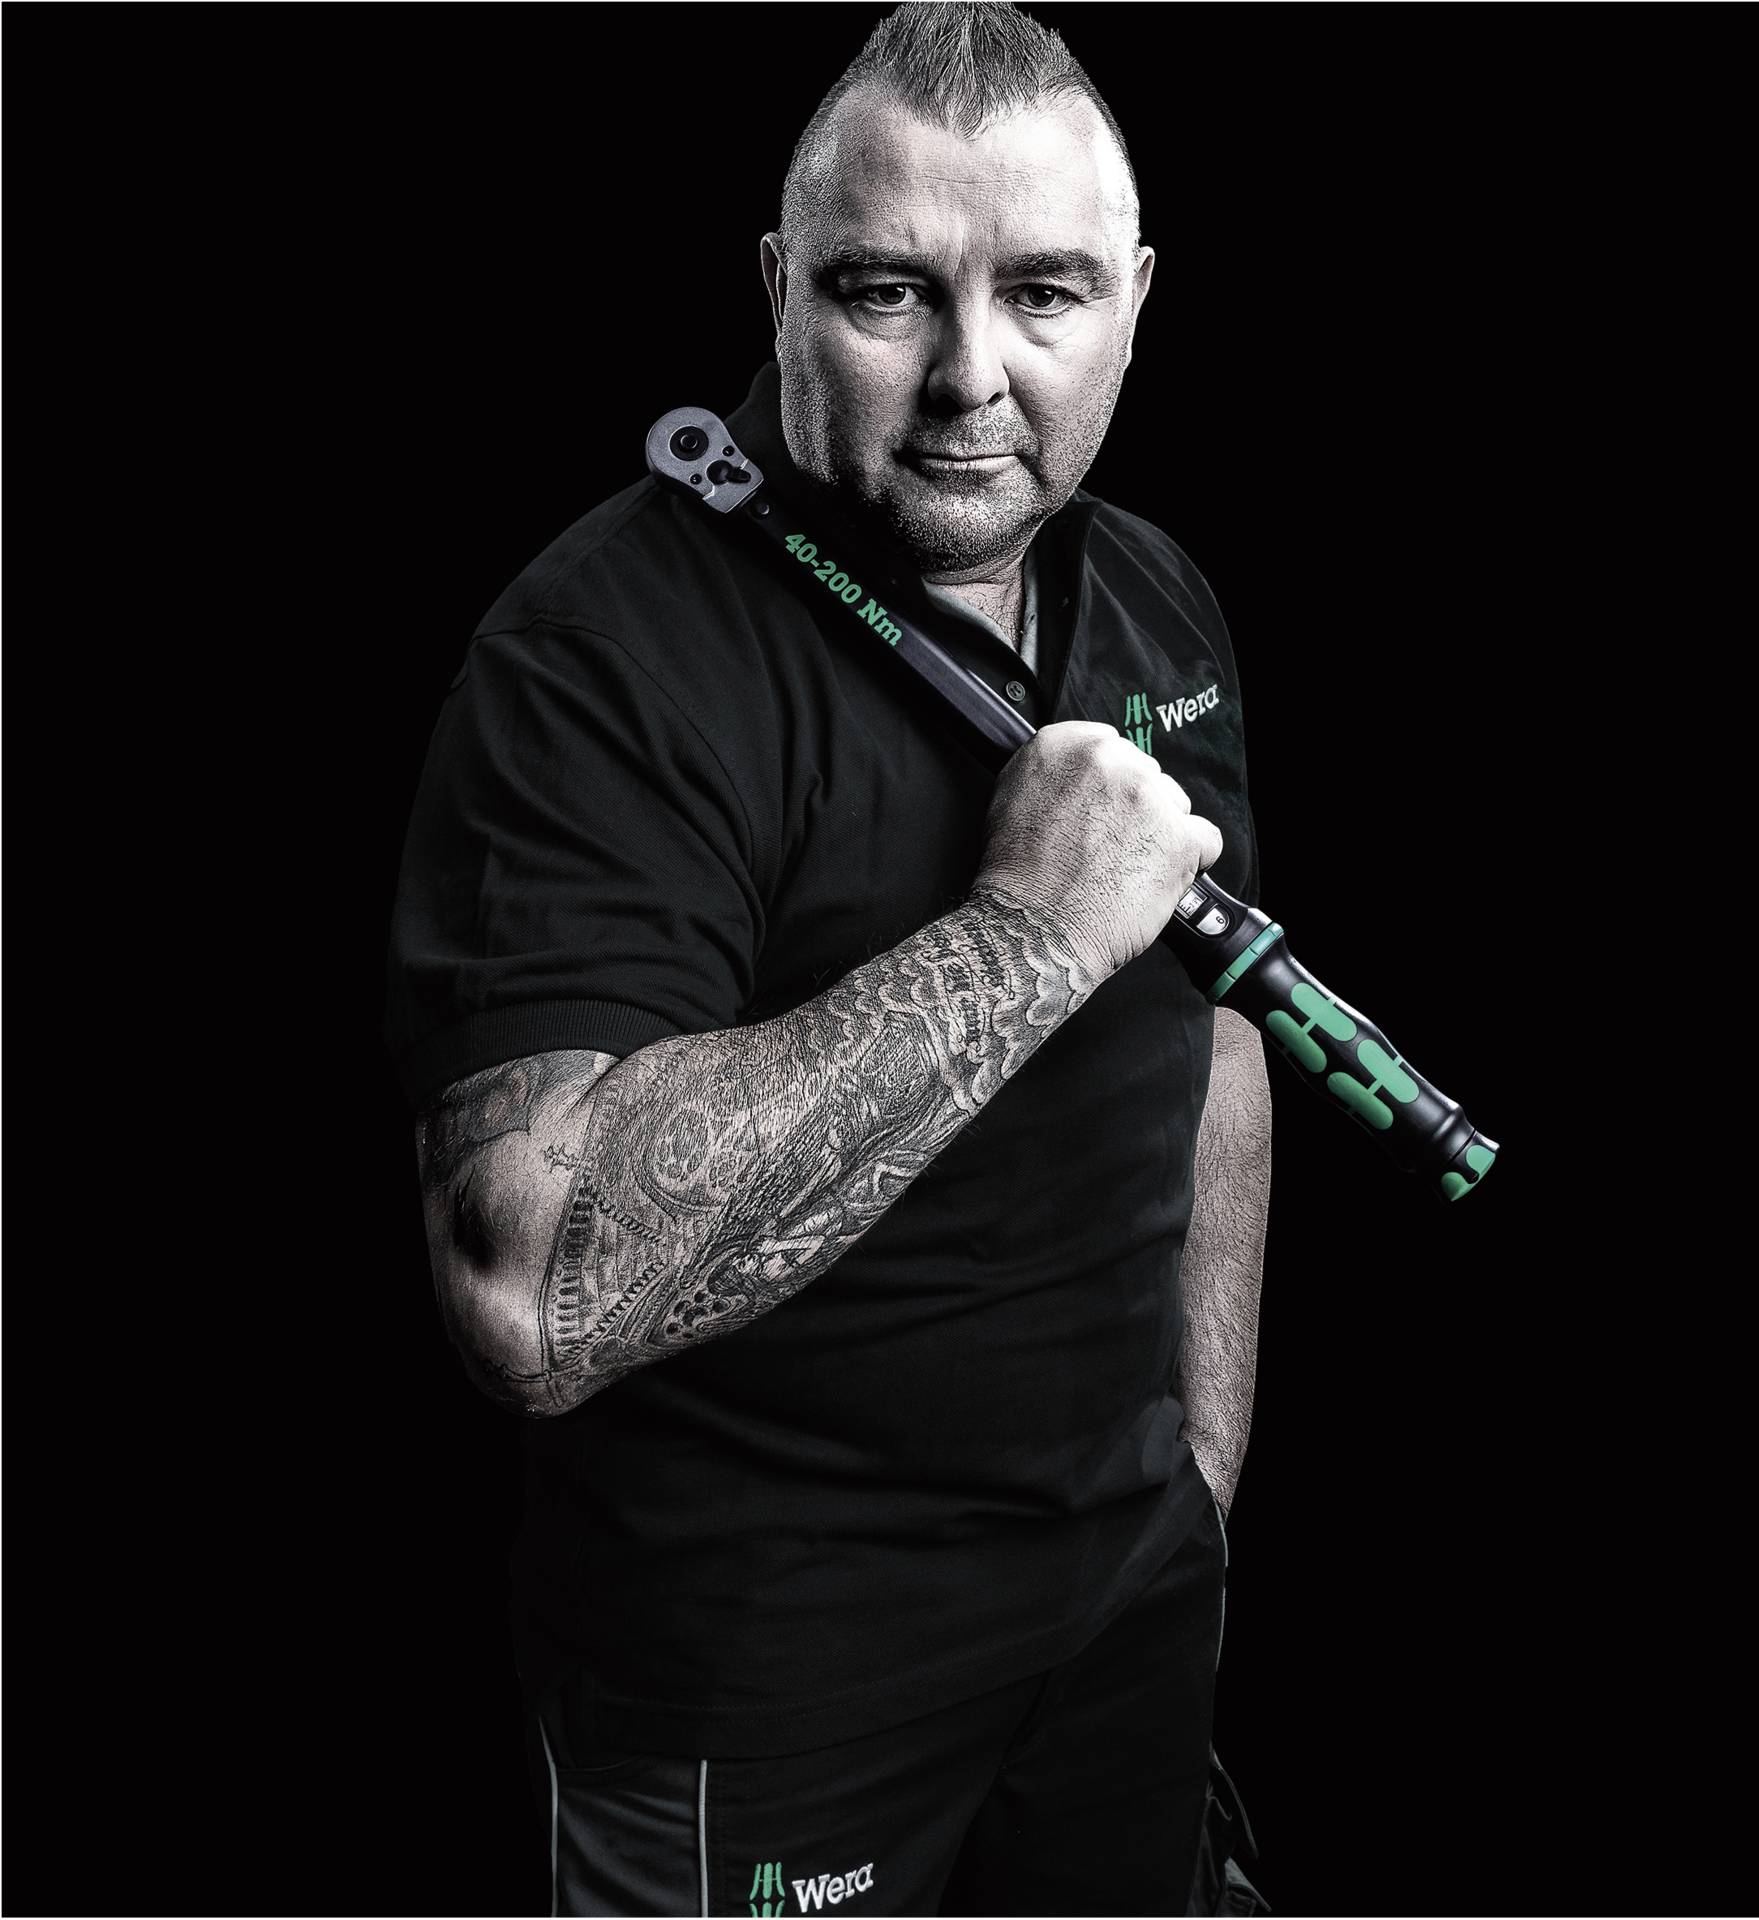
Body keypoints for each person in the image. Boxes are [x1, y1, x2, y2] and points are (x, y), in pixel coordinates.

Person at [385, 5, 1271, 1913]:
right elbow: (526, 1285)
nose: (972, 376)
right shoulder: (600, 660)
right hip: (772, 1678)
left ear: (1136, 304)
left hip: (1125, 1609)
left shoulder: (1154, 592)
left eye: (1046, 294)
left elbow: (1212, 1050)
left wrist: (1197, 1481)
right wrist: (1030, 934)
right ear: (780, 289)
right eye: (888, 293)